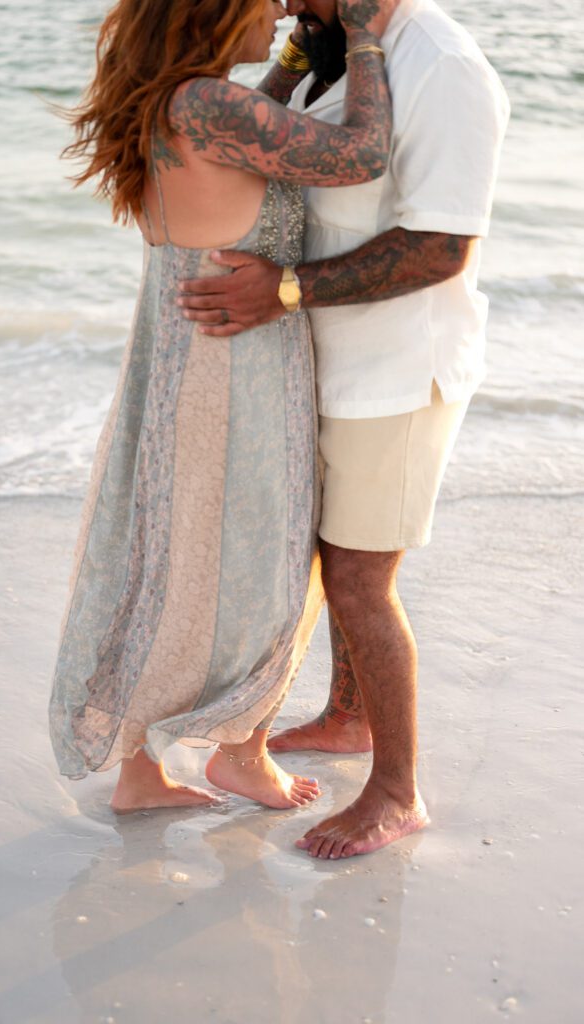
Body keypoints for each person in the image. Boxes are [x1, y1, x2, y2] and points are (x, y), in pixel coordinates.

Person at [179, 0, 510, 855]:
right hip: (328, 360)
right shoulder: (337, 48)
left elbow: (440, 244)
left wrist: (285, 289)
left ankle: (396, 793)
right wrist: (301, 46)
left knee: (361, 579)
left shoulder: (439, 64)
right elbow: (258, 137)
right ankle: (347, 717)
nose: (284, 1)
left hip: (396, 369)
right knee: (330, 557)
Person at [48, 0, 393, 815]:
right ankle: (241, 753)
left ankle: (142, 771)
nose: (277, 8)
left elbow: (259, 126)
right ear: (212, 13)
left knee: (166, 560)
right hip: (237, 366)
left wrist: (304, 59)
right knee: (262, 564)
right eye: (260, 0)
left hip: (178, 360)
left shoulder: (170, 100)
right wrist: (366, 38)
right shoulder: (210, 104)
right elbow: (362, 154)